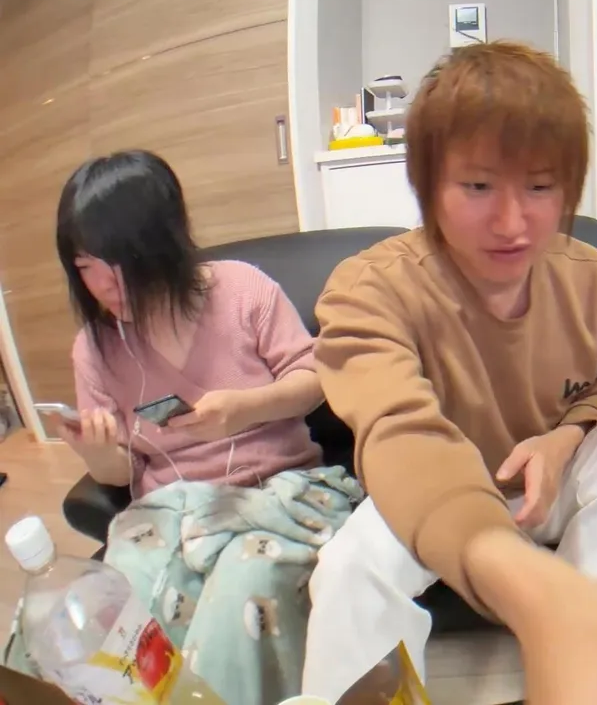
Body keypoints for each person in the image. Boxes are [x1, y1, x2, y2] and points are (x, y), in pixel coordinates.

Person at [300, 42, 597, 705]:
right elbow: (397, 431)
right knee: (348, 569)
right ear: (427, 185)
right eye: (477, 186)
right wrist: (529, 585)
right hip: (435, 492)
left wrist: (562, 440)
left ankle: (576, 663)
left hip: (549, 486)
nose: (512, 224)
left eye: (540, 188)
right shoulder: (371, 287)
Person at [8, 150, 364, 705]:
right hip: (169, 511)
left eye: (118, 260)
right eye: (85, 266)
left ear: (160, 244)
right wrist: (97, 453)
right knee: (114, 615)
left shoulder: (242, 289)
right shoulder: (94, 348)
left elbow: (315, 377)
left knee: (246, 593)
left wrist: (243, 410)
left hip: (283, 491)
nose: (104, 284)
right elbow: (120, 471)